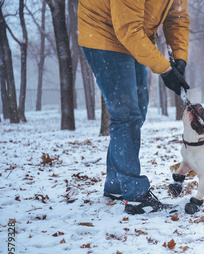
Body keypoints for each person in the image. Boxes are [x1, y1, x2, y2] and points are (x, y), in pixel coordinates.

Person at [78, 0, 190, 214]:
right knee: (126, 114)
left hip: (137, 35)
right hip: (104, 34)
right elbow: (127, 28)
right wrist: (165, 70)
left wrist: (180, 57)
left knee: (137, 112)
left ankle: (117, 186)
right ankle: (135, 194)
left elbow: (177, 17)